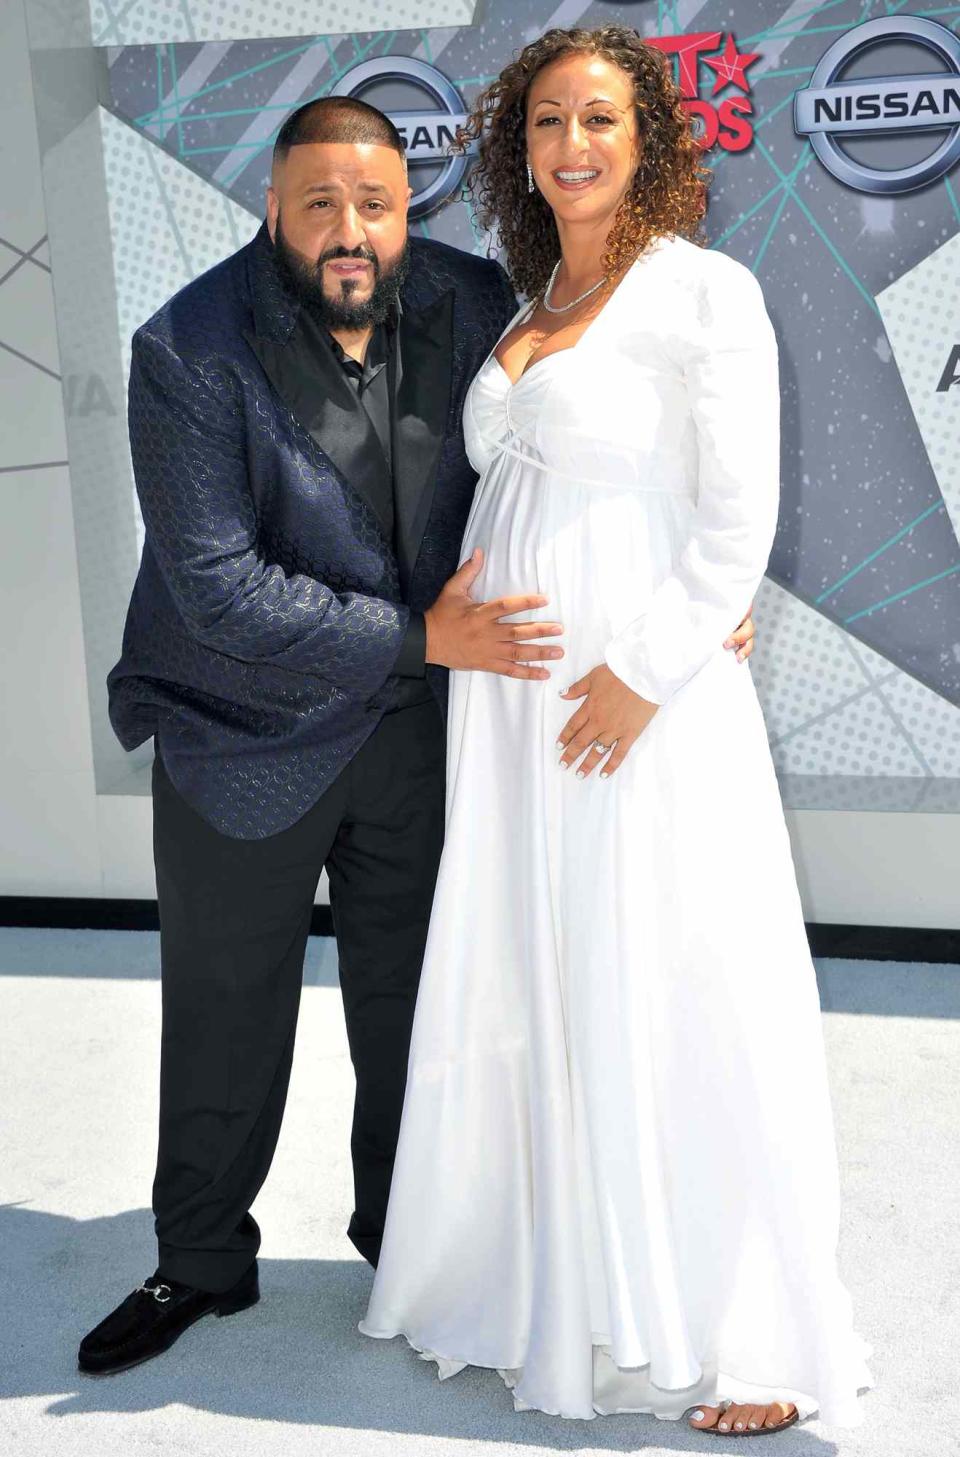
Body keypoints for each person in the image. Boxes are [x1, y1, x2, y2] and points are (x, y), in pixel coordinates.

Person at [76, 90, 763, 1377]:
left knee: (422, 1015)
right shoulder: (186, 349)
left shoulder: (476, 303)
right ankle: (201, 1259)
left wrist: (704, 593)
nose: (350, 229)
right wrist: (418, 638)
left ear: (411, 210)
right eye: (320, 203)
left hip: (421, 738)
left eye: (376, 204)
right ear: (271, 206)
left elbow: (608, 434)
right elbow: (218, 589)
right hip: (242, 734)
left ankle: (411, 1248)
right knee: (226, 1016)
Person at [359, 25, 873, 1435]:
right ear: (518, 151)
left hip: (634, 705)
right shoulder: (531, 304)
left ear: (647, 134)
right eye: (541, 124)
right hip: (513, 715)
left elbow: (735, 515)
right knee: (542, 970)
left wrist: (644, 671)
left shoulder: (702, 294)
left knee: (675, 972)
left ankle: (740, 1330)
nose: (567, 144)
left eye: (595, 117)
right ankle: (558, 1285)